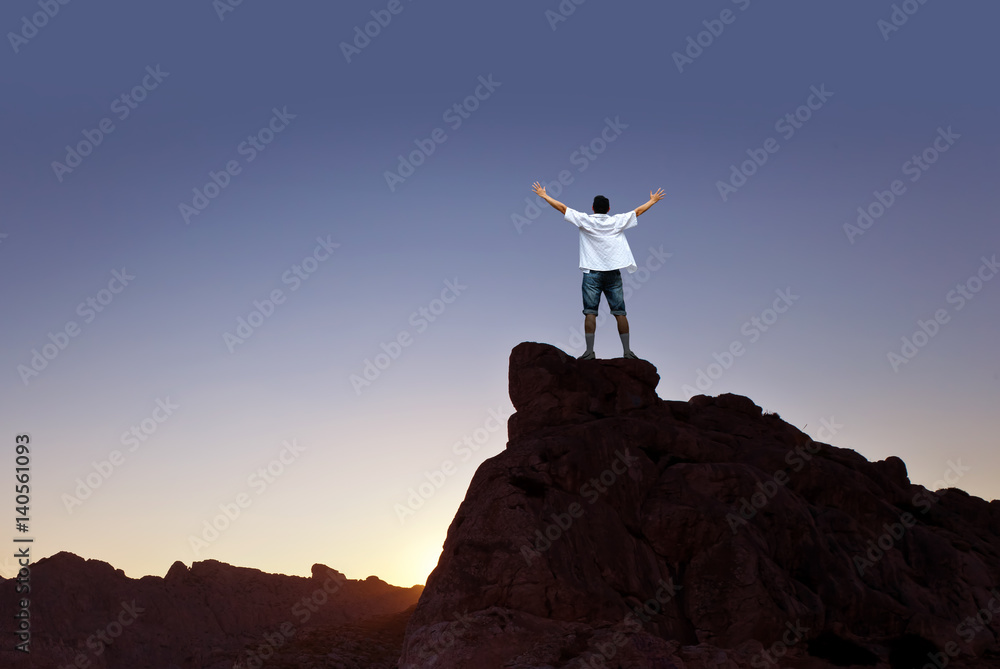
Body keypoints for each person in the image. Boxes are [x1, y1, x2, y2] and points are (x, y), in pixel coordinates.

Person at [531, 183, 665, 360]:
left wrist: (544, 195)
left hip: (591, 273)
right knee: (620, 312)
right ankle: (627, 351)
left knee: (590, 312)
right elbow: (638, 212)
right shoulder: (616, 221)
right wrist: (653, 201)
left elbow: (562, 208)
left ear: (593, 208)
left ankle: (589, 352)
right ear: (608, 209)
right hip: (613, 273)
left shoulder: (585, 220)